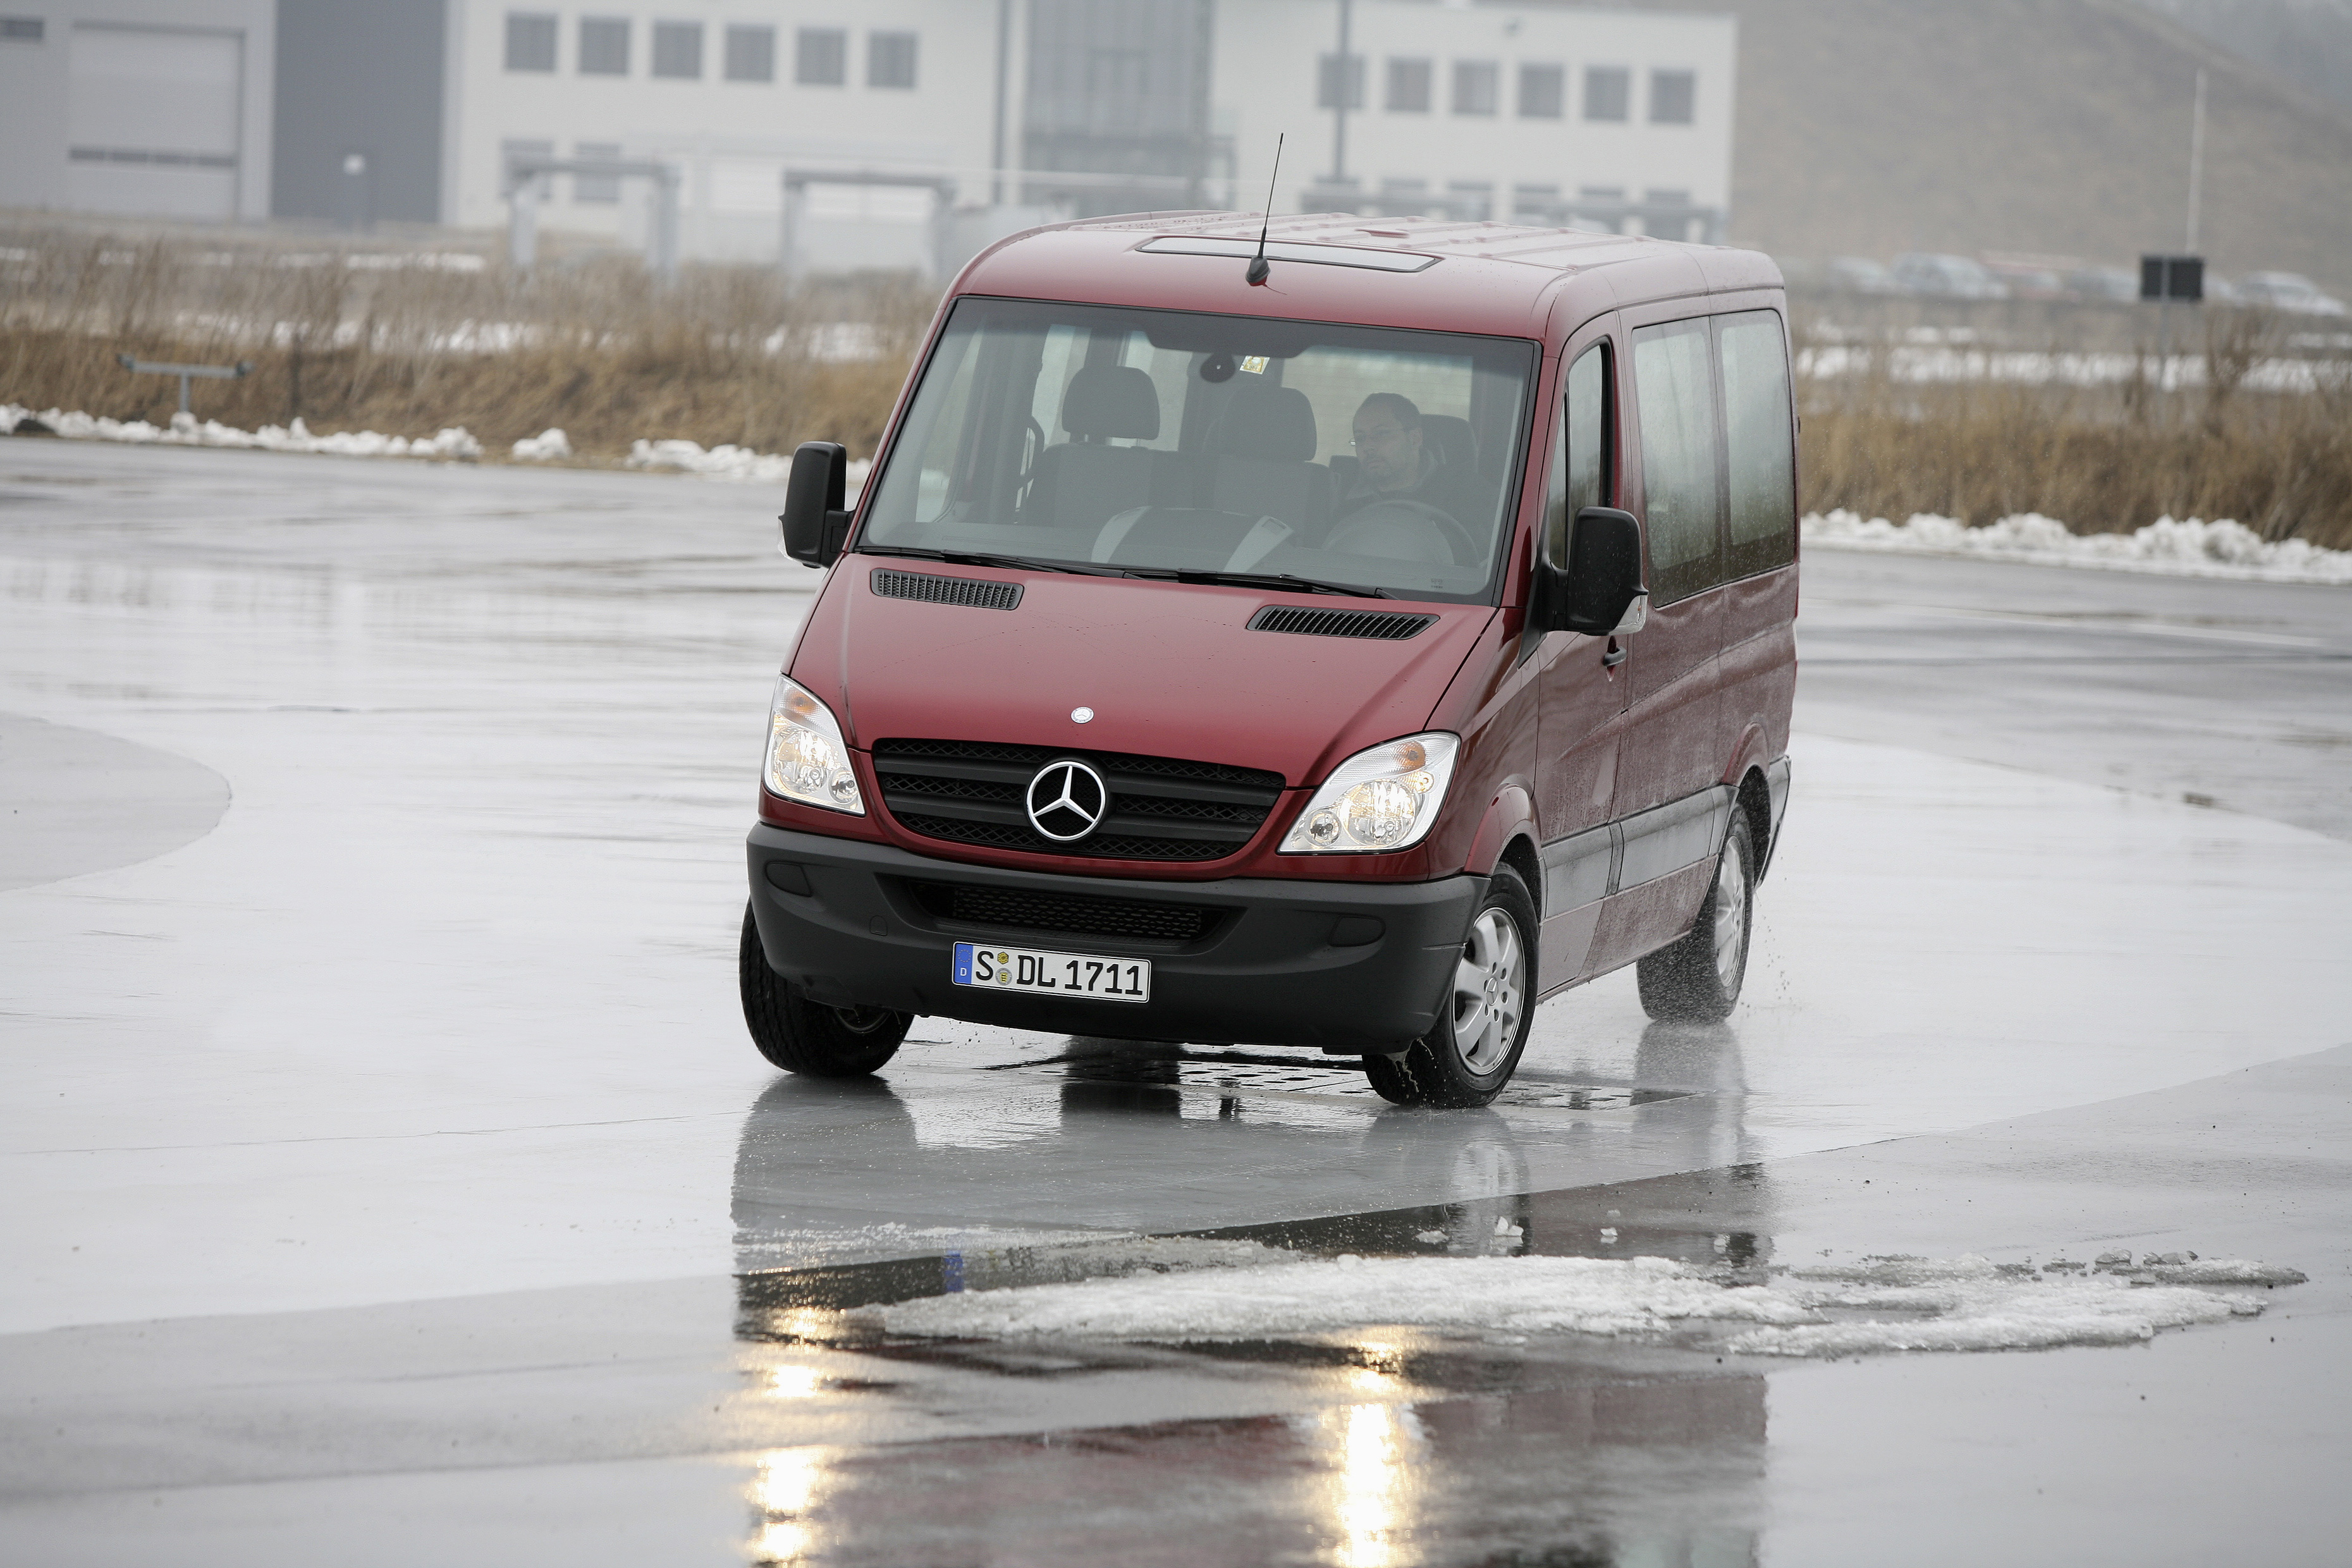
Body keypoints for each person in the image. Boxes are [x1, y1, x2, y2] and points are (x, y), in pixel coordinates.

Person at [1337, 393, 1458, 521]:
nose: (1367, 447)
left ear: (1415, 439)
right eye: (1360, 438)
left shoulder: (1459, 494)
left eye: (1381, 434)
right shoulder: (1345, 502)